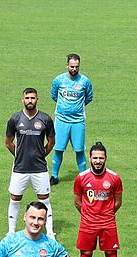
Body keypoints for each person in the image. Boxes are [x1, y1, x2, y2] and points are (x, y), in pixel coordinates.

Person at [71, 142, 123, 257]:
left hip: (108, 223)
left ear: (105, 158)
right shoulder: (81, 177)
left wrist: (105, 215)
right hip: (88, 224)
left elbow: (118, 202)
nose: (98, 161)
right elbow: (77, 202)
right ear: (90, 158)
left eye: (101, 158)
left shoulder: (114, 178)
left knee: (111, 255)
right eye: (95, 158)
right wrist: (89, 215)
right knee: (85, 255)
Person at [5, 88, 55, 237]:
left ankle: (50, 232)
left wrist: (41, 155)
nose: (30, 101)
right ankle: (11, 231)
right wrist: (19, 155)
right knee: (15, 198)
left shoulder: (45, 119)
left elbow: (51, 142)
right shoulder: (15, 119)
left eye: (33, 98)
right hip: (20, 168)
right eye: (27, 98)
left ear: (37, 100)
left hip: (40, 168)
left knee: (44, 199)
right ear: (23, 100)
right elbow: (8, 142)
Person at [50, 53, 93, 185]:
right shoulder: (58, 80)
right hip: (61, 120)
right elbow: (54, 95)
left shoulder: (85, 81)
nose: (74, 69)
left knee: (79, 150)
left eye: (76, 67)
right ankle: (54, 176)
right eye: (72, 66)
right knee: (58, 149)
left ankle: (83, 177)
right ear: (67, 65)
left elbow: (88, 97)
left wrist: (77, 108)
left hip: (78, 121)